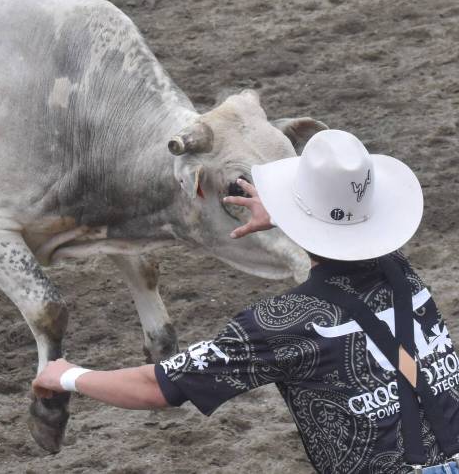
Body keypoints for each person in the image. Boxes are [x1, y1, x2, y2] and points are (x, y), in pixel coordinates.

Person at [32, 130, 459, 473]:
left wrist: (68, 375)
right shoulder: (401, 273)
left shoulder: (278, 326)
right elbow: (354, 239)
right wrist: (297, 219)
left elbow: (156, 387)